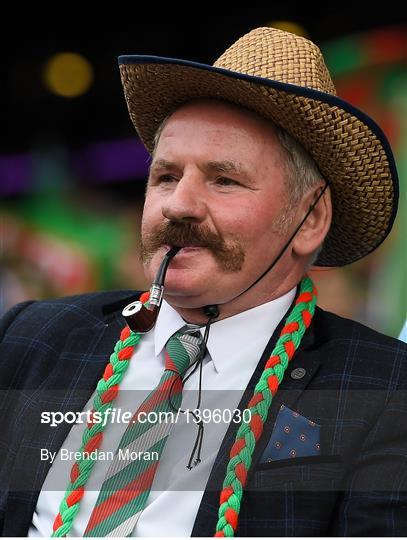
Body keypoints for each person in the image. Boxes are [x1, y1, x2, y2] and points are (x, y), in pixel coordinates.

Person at [1, 27, 406, 537]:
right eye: (166, 176)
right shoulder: (32, 339)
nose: (179, 205)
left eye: (224, 180)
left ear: (309, 220)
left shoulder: (387, 392)